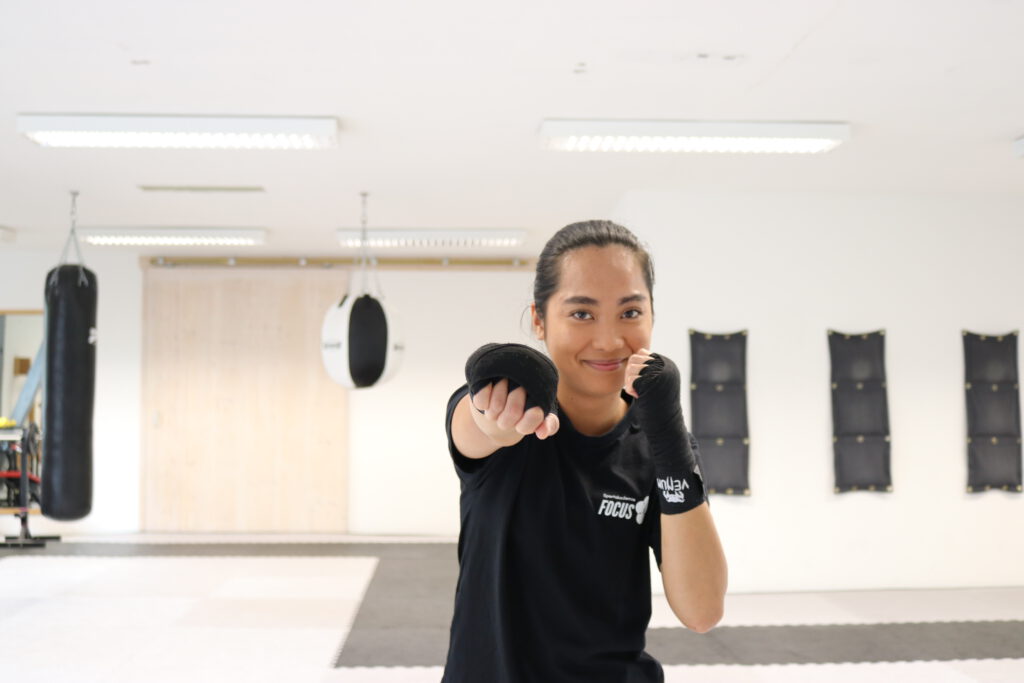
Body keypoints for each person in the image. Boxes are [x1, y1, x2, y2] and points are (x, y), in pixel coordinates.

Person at [442, 220, 728, 682]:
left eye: (630, 312)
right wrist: (496, 410)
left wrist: (671, 440)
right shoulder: (511, 416)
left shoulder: (659, 442)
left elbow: (702, 610)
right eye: (582, 314)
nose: (610, 340)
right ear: (539, 319)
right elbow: (475, 427)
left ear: (653, 315)